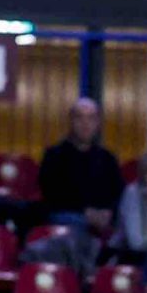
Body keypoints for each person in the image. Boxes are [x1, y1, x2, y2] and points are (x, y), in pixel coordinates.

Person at [39, 97, 120, 233]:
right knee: (76, 223)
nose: (85, 123)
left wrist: (108, 212)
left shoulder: (108, 158)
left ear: (97, 123)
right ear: (71, 121)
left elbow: (118, 194)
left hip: (102, 217)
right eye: (80, 118)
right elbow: (52, 195)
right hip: (68, 216)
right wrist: (86, 212)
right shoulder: (54, 156)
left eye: (91, 118)